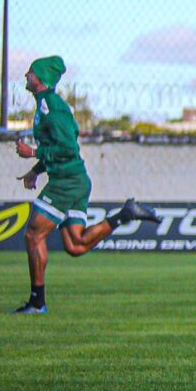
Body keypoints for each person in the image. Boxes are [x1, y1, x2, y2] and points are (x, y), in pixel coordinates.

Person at [12, 56, 161, 314]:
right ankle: (125, 214)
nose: (26, 74)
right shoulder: (47, 106)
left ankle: (37, 302)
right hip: (75, 179)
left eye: (31, 71)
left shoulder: (51, 107)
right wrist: (36, 171)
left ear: (41, 78)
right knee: (75, 245)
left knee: (34, 235)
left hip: (67, 182)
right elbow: (62, 146)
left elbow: (67, 148)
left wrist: (33, 153)